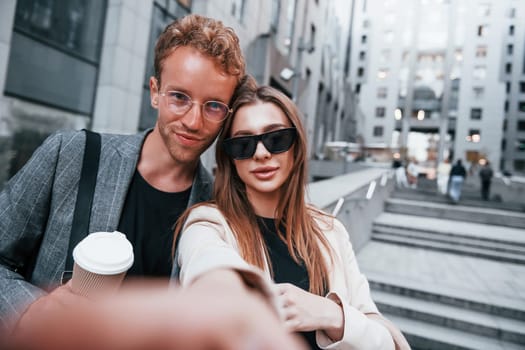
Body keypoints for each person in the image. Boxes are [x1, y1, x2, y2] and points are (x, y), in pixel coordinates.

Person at [0, 13, 279, 343]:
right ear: (155, 92)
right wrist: (30, 311)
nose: (193, 121)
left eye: (214, 106)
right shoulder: (72, 153)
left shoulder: (217, 209)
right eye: (179, 97)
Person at [174, 80, 410, 350]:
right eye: (243, 144)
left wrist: (330, 314)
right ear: (230, 159)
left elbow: (383, 339)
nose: (261, 153)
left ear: (296, 146)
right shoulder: (209, 223)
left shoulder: (329, 230)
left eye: (276, 139)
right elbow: (207, 261)